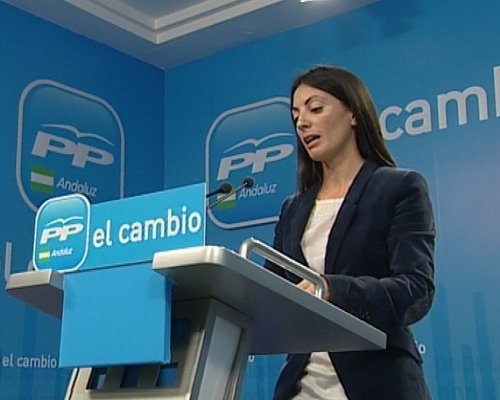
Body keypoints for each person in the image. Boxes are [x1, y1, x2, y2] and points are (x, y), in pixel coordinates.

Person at [265, 65, 435, 400]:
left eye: (315, 109)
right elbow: (270, 292)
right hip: (301, 388)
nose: (302, 123)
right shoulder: (293, 208)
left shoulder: (400, 187)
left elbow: (416, 290)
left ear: (353, 114)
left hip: (379, 383)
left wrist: (332, 290)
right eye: (296, 115)